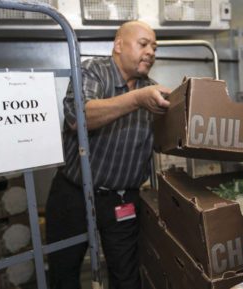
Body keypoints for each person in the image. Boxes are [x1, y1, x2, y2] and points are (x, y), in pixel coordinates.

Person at [45, 21, 171, 289]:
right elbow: (79, 118)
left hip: (123, 201)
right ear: (118, 45)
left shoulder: (152, 89)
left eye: (155, 47)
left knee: (126, 277)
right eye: (143, 44)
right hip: (74, 193)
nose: (151, 52)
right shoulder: (93, 71)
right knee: (63, 272)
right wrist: (137, 99)